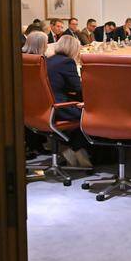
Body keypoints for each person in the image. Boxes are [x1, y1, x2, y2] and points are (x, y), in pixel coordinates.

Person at [45, 35, 92, 167]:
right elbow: (77, 87)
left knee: (81, 109)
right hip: (59, 108)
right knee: (90, 116)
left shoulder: (49, 60)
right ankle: (75, 149)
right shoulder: (67, 62)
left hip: (44, 109)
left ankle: (72, 150)